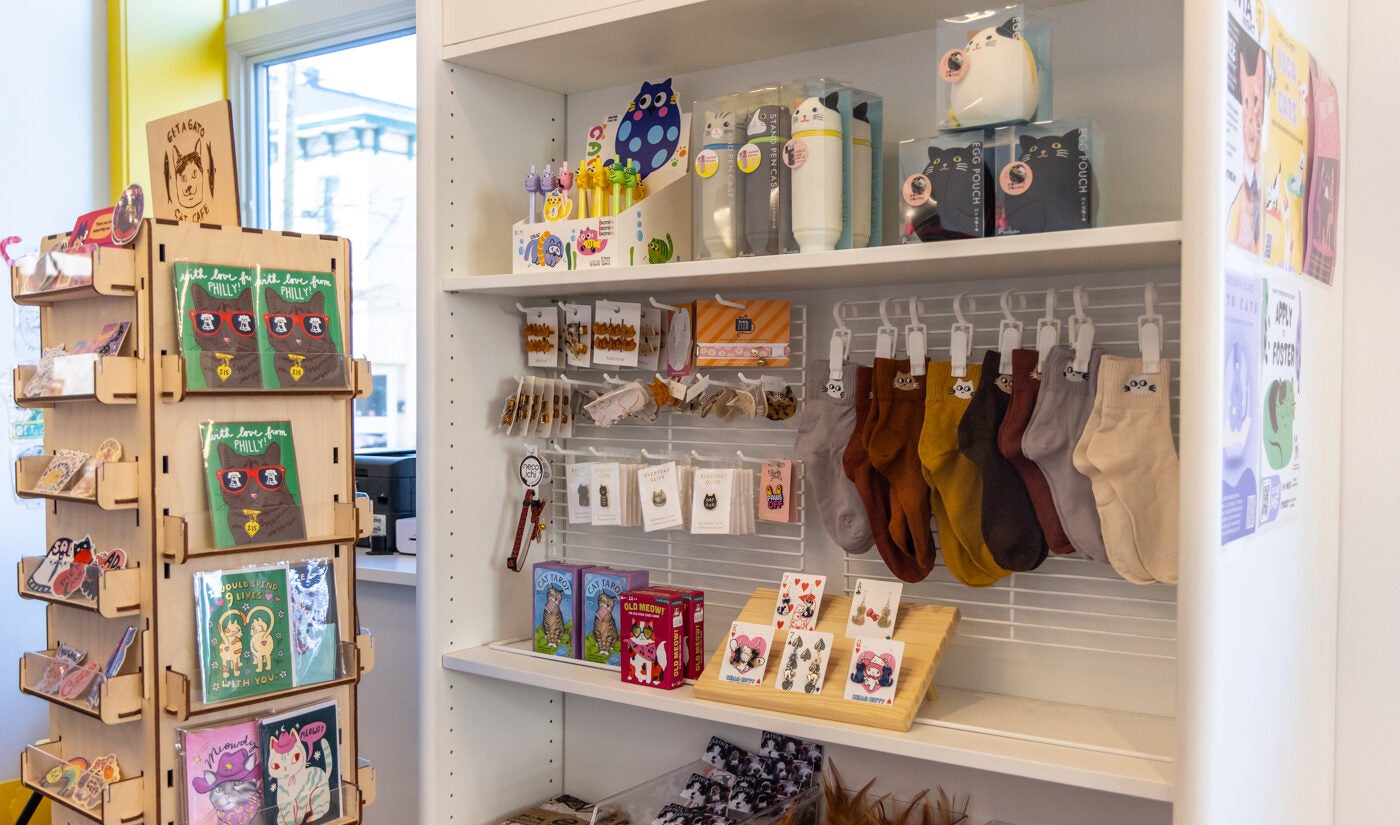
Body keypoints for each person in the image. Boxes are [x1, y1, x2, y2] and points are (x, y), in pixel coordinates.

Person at [1227, 37, 1265, 253]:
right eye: (1246, 104)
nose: (1251, 116)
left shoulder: (1261, 181)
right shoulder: (1236, 189)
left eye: (1256, 101)